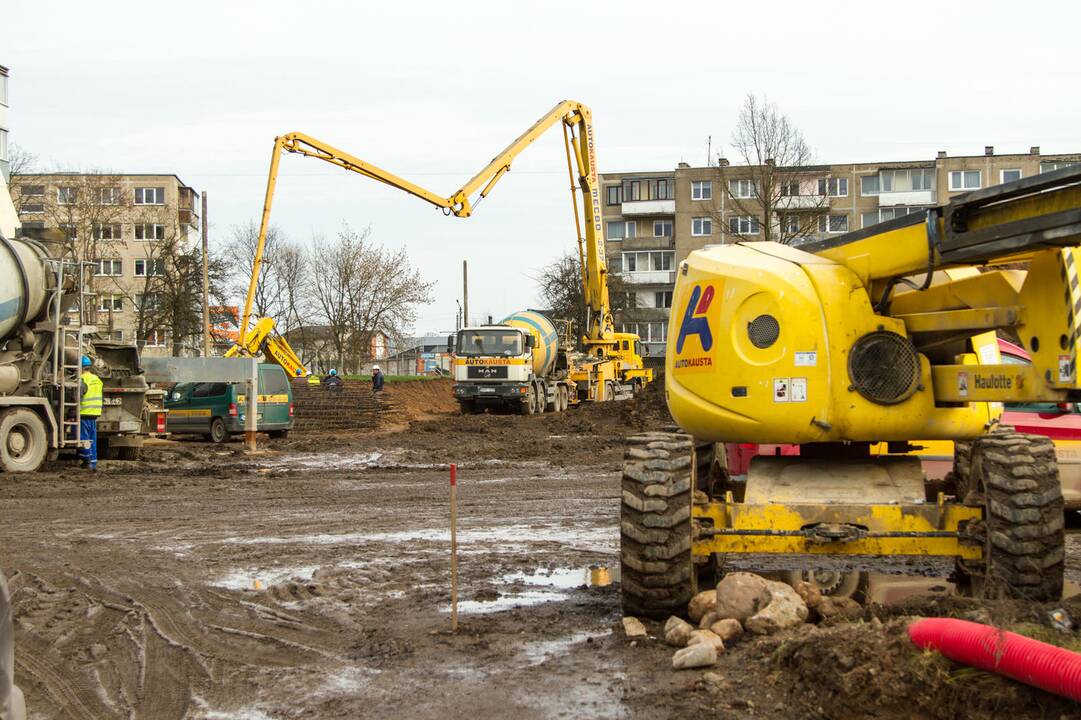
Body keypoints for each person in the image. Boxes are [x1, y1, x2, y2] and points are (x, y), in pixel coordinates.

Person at [79, 355, 103, 470]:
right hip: (95, 413)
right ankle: (93, 463)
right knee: (92, 440)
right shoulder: (97, 379)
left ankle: (87, 460)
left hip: (84, 412)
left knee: (83, 438)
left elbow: (78, 397)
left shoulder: (82, 380)